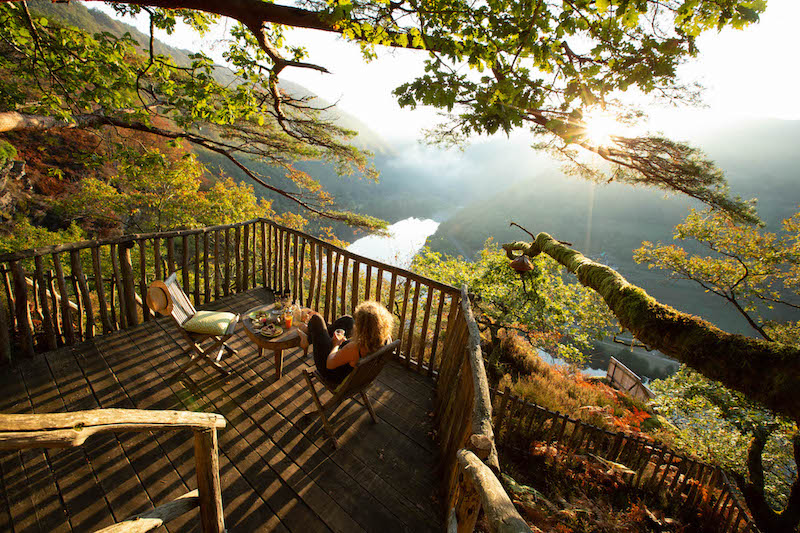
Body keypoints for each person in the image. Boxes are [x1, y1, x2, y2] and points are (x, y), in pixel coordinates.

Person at [298, 300, 393, 385]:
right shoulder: (385, 339)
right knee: (348, 320)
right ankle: (310, 335)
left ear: (363, 328)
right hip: (349, 368)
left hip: (329, 371)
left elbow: (329, 363)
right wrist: (345, 342)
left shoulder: (355, 348)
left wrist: (336, 345)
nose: (355, 324)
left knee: (316, 319)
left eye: (357, 323)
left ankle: (308, 338)